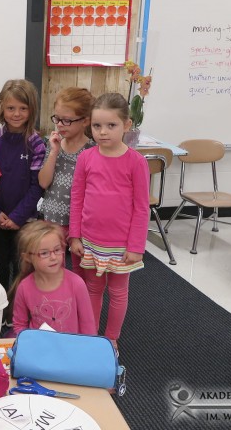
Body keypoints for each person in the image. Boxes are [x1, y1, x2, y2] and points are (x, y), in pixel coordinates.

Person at [69, 93, 150, 354]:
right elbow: (77, 198)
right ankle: (91, 335)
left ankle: (111, 338)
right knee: (93, 288)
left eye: (111, 125)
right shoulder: (86, 158)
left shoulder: (136, 162)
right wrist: (75, 235)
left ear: (126, 125)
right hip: (91, 240)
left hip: (121, 244)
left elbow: (142, 207)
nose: (102, 132)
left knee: (117, 292)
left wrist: (136, 246)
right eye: (97, 126)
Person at [0, 79, 46, 292]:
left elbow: (37, 186)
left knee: (23, 268)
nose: (16, 114)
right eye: (11, 108)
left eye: (23, 108)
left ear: (32, 110)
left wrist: (18, 216)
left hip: (25, 219)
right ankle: (0, 307)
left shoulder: (36, 143)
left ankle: (20, 306)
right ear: (2, 108)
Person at [38, 87, 95, 271]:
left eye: (67, 120)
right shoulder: (53, 144)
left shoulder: (92, 151)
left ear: (85, 120)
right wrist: (54, 152)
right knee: (53, 269)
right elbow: (43, 182)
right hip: (52, 218)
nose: (60, 125)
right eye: (57, 119)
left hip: (80, 222)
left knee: (81, 270)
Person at [11, 221, 95, 336]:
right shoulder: (24, 287)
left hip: (70, 345)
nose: (53, 257)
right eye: (44, 253)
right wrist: (30, 342)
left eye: (57, 250)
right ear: (28, 257)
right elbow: (19, 324)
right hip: (40, 344)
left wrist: (87, 345)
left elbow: (88, 324)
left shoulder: (76, 284)